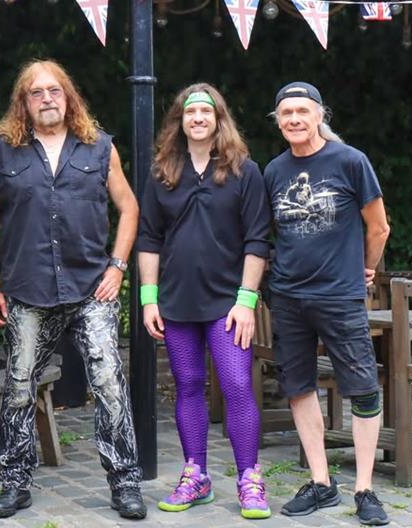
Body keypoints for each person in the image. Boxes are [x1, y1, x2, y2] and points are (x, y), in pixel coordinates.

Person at [0, 59, 146, 520]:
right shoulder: (0, 151)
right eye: (37, 92)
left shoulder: (99, 147)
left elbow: (129, 208)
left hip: (92, 286)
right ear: (24, 102)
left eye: (55, 90)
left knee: (110, 382)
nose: (47, 98)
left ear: (68, 97)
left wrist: (117, 266)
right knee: (17, 386)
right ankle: (14, 482)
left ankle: (125, 483)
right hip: (27, 289)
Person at [137, 83, 273, 519]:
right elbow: (148, 238)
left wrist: (247, 301)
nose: (198, 119)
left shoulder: (243, 171)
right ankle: (196, 475)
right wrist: (148, 298)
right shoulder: (162, 173)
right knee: (188, 385)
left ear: (218, 120)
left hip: (228, 304)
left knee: (235, 385)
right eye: (190, 112)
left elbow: (257, 239)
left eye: (206, 112)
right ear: (180, 121)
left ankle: (249, 477)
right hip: (176, 303)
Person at [263, 81, 391, 526]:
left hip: (339, 295)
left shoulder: (351, 161)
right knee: (298, 386)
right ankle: (321, 482)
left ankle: (365, 488)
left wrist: (365, 269)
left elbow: (378, 227)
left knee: (363, 388)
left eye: (302, 111)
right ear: (278, 122)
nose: (294, 119)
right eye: (286, 113)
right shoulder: (273, 171)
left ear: (320, 115)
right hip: (289, 297)